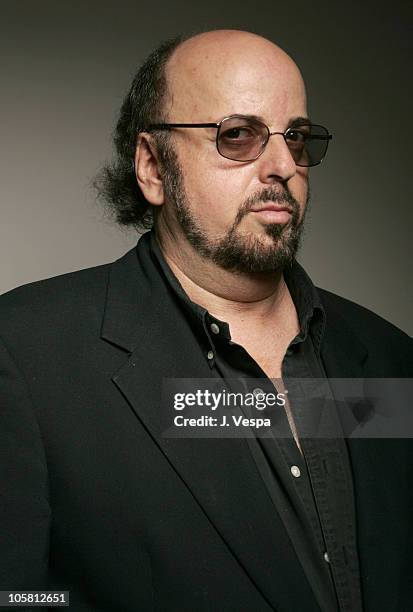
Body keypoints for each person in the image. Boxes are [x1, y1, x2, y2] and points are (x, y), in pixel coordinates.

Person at [0, 29, 411, 612]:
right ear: (153, 167)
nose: (281, 166)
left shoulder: (392, 358)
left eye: (295, 138)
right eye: (237, 135)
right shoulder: (25, 352)